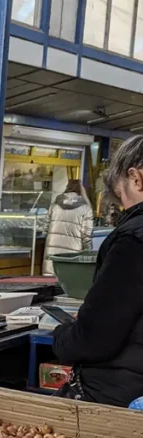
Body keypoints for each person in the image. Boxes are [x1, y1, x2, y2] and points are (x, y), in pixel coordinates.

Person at [52, 136, 143, 407]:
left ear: (136, 178)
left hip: (118, 395)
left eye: (122, 200)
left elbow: (95, 338)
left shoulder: (133, 240)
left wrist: (63, 335)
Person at [43, 179, 94, 275]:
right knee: (69, 281)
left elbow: (45, 229)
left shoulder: (54, 206)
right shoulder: (86, 209)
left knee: (49, 282)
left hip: (52, 252)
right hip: (73, 254)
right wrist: (88, 251)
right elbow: (86, 236)